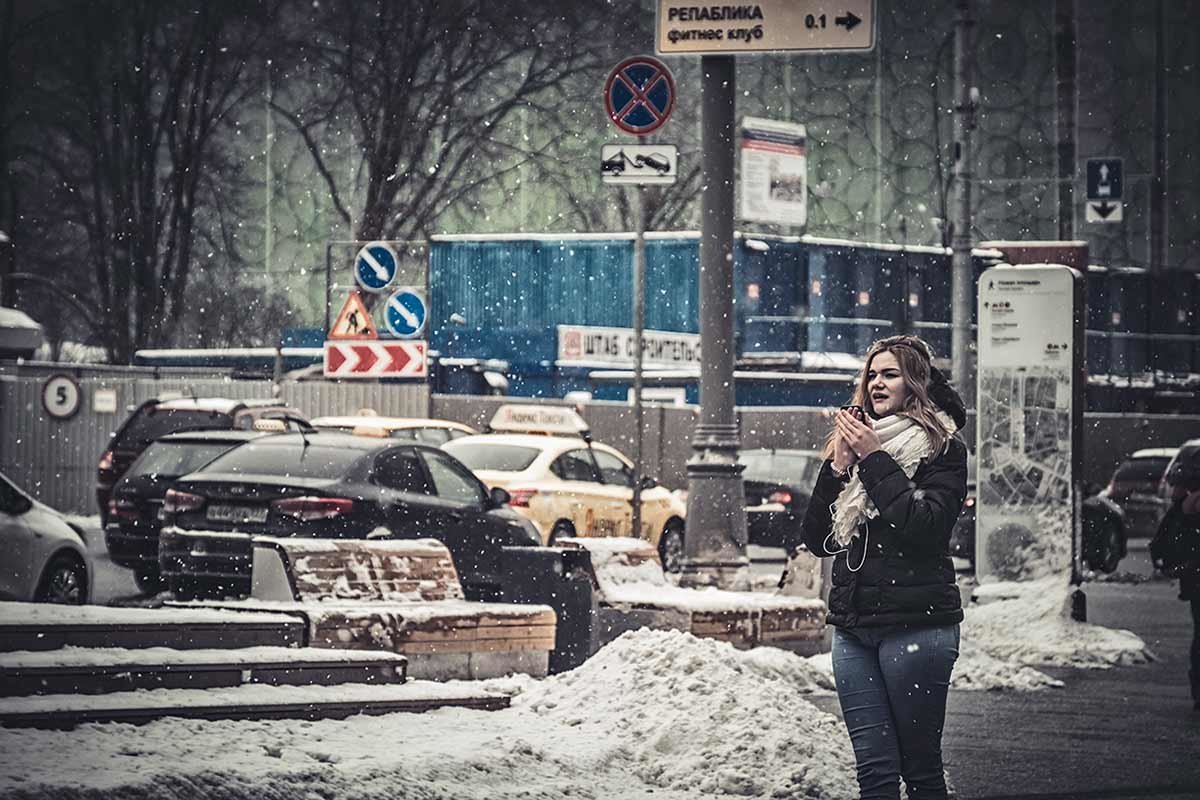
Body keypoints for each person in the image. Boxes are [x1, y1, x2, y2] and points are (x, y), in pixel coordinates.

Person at [790, 335, 968, 800]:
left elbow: (924, 525)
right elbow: (818, 540)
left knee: (921, 770)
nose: (876, 383)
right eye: (871, 374)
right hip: (854, 629)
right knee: (874, 772)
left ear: (915, 384)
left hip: (917, 627)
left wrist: (872, 458)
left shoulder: (941, 448)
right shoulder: (856, 444)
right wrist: (837, 468)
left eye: (890, 374)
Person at [1149, 450, 1200, 711]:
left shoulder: (1179, 511)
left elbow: (1159, 544)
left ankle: (1198, 690)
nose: (1172, 490)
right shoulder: (1187, 508)